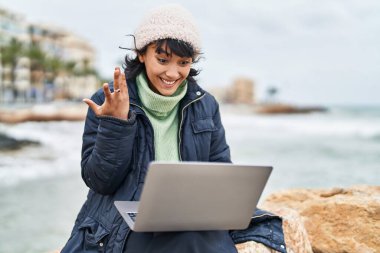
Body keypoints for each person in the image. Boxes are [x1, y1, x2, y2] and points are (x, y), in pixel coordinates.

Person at [62, 4, 287, 253]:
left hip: (192, 219)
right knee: (191, 241)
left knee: (198, 237)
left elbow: (220, 169)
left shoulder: (205, 104)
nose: (173, 72)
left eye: (183, 62)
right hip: (123, 226)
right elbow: (100, 181)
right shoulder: (112, 99)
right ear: (141, 53)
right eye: (162, 59)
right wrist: (117, 124)